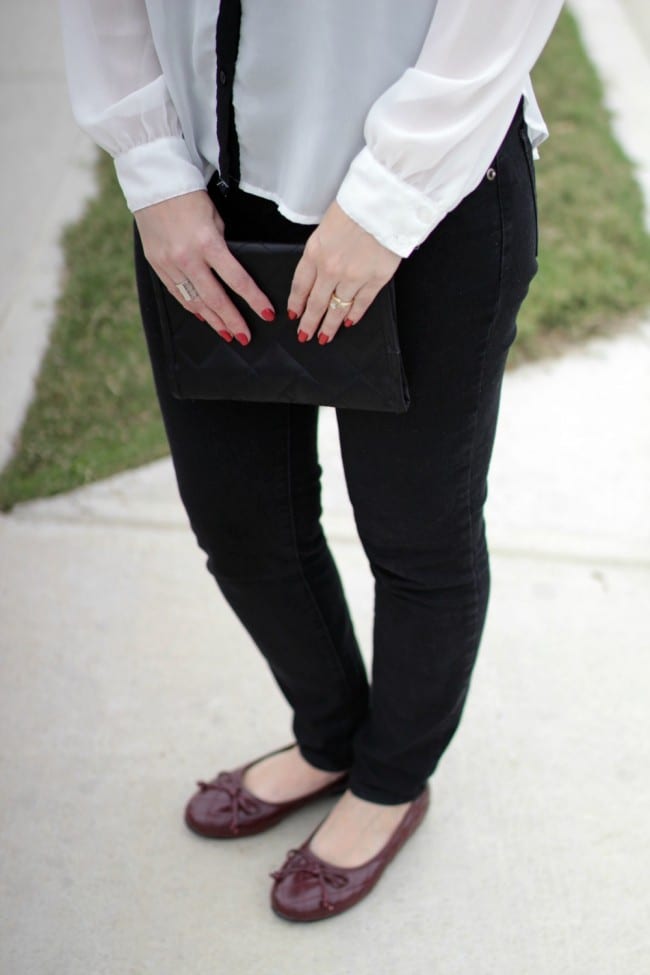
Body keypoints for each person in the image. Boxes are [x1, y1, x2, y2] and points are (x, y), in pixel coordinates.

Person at [59, 0, 564, 922]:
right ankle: (331, 735)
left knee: (416, 528)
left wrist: (390, 197)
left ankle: (392, 779)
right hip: (199, 192)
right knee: (239, 522)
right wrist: (150, 169)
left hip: (432, 181)